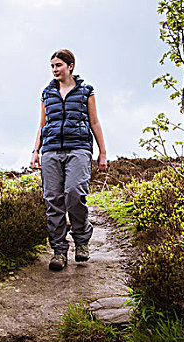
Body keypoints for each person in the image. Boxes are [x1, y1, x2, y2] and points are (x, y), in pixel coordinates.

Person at [30, 49, 107, 271]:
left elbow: (95, 122)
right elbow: (42, 125)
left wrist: (102, 152)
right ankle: (59, 251)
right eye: (52, 66)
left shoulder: (86, 91)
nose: (55, 69)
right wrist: (36, 151)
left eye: (58, 65)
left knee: (74, 193)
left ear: (70, 66)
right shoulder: (47, 93)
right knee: (53, 200)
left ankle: (81, 242)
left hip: (79, 149)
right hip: (51, 150)